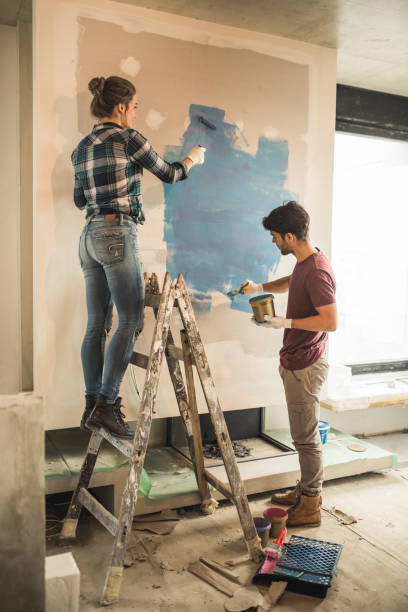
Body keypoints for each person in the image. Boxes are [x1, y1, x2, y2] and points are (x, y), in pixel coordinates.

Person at [71, 75, 205, 439]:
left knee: (97, 323)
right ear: (120, 107)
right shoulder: (130, 139)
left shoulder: (81, 148)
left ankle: (91, 403)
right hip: (117, 233)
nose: (134, 113)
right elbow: (171, 174)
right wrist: (193, 158)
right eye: (134, 107)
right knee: (131, 319)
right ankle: (107, 403)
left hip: (88, 238)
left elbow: (79, 200)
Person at [240, 201, 337, 527]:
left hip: (306, 365)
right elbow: (292, 282)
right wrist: (260, 288)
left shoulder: (318, 270)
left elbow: (329, 321)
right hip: (299, 359)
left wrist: (283, 322)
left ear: (290, 236)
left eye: (275, 236)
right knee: (303, 435)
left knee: (305, 439)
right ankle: (306, 491)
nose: (273, 241)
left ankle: (311, 503)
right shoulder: (305, 262)